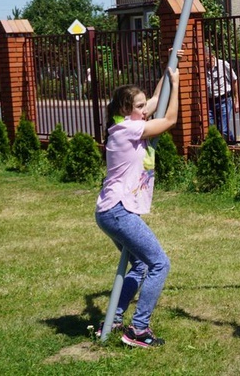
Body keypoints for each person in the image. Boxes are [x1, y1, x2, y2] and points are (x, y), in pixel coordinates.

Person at [94, 51, 182, 348]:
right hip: (118, 211)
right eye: (140, 107)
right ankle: (138, 329)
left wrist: (170, 66)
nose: (146, 110)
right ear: (125, 109)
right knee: (159, 263)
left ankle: (114, 319)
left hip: (110, 211)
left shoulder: (125, 122)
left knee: (141, 266)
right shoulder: (127, 130)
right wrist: (178, 84)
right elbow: (169, 118)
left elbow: (156, 101)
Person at [206, 47, 239, 144]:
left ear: (212, 56)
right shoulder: (203, 67)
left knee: (223, 129)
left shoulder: (223, 65)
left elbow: (234, 80)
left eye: (207, 60)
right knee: (211, 127)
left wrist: (236, 101)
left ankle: (233, 144)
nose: (206, 63)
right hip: (210, 101)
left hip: (224, 100)